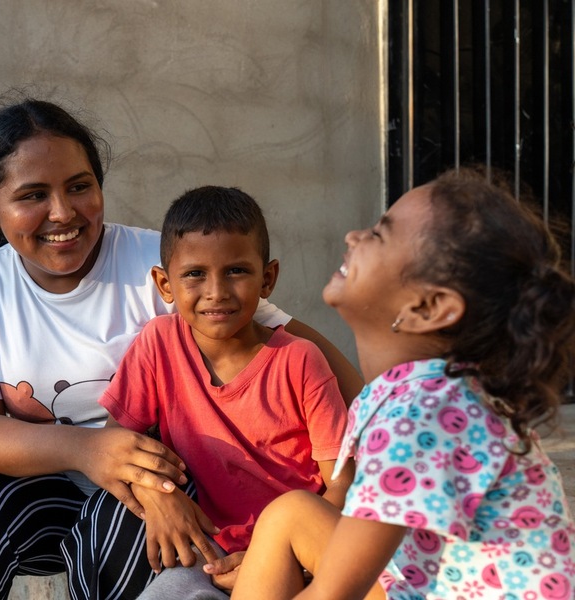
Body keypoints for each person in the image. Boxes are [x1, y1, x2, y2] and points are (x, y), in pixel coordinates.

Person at [0, 95, 363, 599]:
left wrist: (393, 424)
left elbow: (294, 345)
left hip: (162, 480)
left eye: (79, 187)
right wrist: (88, 450)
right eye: (33, 195)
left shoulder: (168, 265)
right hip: (43, 480)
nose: (62, 212)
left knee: (125, 536)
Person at [230, 167, 575, 600]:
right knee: (291, 513)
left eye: (378, 234)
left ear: (428, 307)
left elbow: (335, 593)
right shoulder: (425, 392)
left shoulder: (423, 416)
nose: (353, 236)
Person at [64, 186, 354, 600]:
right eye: (195, 274)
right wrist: (159, 495)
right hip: (210, 554)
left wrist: (277, 559)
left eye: (236, 270)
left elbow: (343, 485)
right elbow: (118, 446)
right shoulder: (159, 344)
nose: (216, 291)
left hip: (297, 554)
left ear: (267, 278)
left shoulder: (300, 361)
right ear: (165, 284)